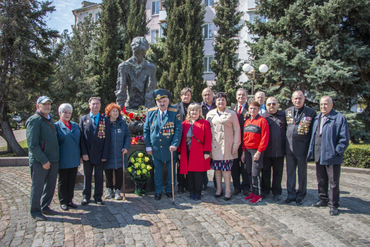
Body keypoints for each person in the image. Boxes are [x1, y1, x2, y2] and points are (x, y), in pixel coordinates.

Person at [307, 96, 350, 216]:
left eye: (326, 104)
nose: (323, 107)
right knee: (321, 179)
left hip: (332, 156)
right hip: (319, 154)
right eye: (321, 104)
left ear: (332, 105)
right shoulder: (317, 118)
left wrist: (337, 151)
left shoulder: (339, 118)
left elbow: (344, 138)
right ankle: (323, 199)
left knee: (333, 182)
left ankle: (333, 204)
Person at [143, 89, 182, 200]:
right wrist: (148, 146)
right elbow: (146, 129)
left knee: (170, 172)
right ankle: (158, 191)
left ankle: (169, 190)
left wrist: (175, 144)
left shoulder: (174, 112)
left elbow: (178, 129)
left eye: (164, 101)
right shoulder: (151, 112)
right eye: (159, 101)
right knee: (158, 171)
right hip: (156, 148)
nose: (162, 103)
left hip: (170, 148)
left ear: (168, 101)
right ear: (156, 102)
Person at [26, 96, 59, 221]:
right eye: (44, 104)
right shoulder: (34, 120)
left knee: (50, 185)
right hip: (40, 161)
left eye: (49, 104)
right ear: (37, 106)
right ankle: (35, 211)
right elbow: (32, 145)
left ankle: (45, 206)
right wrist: (43, 160)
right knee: (38, 186)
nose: (47, 106)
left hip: (53, 159)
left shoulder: (49, 119)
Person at [206, 92, 240, 200]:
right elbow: (207, 130)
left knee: (226, 169)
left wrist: (236, 145)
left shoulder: (232, 114)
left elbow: (237, 130)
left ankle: (228, 190)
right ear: (215, 101)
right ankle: (219, 189)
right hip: (215, 146)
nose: (221, 102)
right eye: (219, 100)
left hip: (227, 146)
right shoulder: (210, 114)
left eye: (223, 100)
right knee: (217, 169)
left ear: (226, 101)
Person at [284, 90, 316, 205]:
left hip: (302, 149)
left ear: (304, 99)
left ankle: (301, 195)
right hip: (289, 148)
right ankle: (290, 194)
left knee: (302, 173)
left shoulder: (311, 113)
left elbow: (312, 132)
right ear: (292, 99)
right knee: (290, 173)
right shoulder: (287, 111)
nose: (297, 100)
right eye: (295, 98)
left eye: (300, 98)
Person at [80, 97, 111, 205]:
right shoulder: (83, 119)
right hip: (87, 155)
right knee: (87, 176)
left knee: (99, 177)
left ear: (100, 105)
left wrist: (105, 155)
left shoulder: (105, 120)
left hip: (100, 154)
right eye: (93, 104)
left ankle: (98, 197)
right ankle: (86, 196)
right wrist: (83, 153)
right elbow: (81, 138)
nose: (95, 106)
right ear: (89, 105)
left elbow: (108, 139)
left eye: (97, 104)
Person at [178, 104, 212, 200]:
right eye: (192, 110)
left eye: (196, 110)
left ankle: (198, 192)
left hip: (199, 151)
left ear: (199, 112)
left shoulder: (204, 123)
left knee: (198, 173)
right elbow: (181, 139)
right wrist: (180, 152)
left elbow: (208, 138)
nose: (194, 112)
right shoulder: (184, 123)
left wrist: (207, 151)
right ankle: (191, 191)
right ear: (189, 112)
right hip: (186, 152)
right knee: (189, 173)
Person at [115, 36, 157, 109]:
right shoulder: (124, 66)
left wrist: (149, 113)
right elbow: (121, 91)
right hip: (129, 106)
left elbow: (150, 91)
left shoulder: (150, 67)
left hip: (145, 107)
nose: (139, 55)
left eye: (142, 52)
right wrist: (119, 112)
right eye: (137, 52)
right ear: (133, 50)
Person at [55, 103, 81, 211]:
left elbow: (80, 141)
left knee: (72, 180)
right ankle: (63, 201)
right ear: (60, 113)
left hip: (74, 157)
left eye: (69, 113)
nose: (67, 114)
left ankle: (70, 200)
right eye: (65, 112)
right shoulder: (56, 126)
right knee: (63, 180)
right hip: (63, 158)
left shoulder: (75, 125)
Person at [242, 101, 269, 204]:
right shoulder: (247, 121)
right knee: (248, 171)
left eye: (255, 109)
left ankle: (258, 195)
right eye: (251, 108)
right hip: (247, 150)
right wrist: (243, 152)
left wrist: (259, 151)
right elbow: (244, 138)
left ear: (258, 110)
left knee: (255, 173)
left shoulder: (262, 121)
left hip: (256, 150)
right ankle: (253, 192)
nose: (252, 110)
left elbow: (264, 138)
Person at [104, 103, 131, 200]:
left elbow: (127, 136)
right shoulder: (105, 123)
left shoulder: (123, 123)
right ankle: (109, 189)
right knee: (108, 172)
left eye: (117, 111)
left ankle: (117, 190)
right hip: (108, 152)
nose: (115, 113)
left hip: (120, 152)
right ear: (109, 112)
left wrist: (126, 147)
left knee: (119, 172)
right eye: (113, 111)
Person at [261, 97, 286, 201]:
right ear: (266, 105)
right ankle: (265, 190)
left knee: (278, 172)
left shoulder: (283, 116)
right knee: (265, 172)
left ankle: (276, 192)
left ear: (278, 104)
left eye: (274, 104)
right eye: (269, 104)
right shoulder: (263, 117)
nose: (271, 105)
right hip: (266, 151)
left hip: (279, 150)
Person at [230, 88, 251, 196]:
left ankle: (246, 187)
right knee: (234, 166)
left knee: (244, 165)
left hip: (245, 142)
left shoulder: (250, 109)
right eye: (239, 95)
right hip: (233, 142)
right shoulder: (232, 108)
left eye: (243, 95)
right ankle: (236, 186)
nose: (241, 97)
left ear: (246, 96)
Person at [174, 87, 193, 193]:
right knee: (180, 163)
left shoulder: (194, 107)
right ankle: (181, 184)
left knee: (190, 162)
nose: (186, 97)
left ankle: (189, 184)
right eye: (184, 95)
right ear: (181, 96)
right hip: (180, 140)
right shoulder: (175, 107)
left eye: (188, 95)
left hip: (191, 141)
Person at [200, 87, 216, 190]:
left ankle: (216, 182)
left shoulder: (218, 105)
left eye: (209, 94)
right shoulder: (199, 107)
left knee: (216, 160)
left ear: (213, 94)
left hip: (216, 138)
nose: (207, 96)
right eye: (205, 95)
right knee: (204, 160)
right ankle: (204, 181)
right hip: (203, 138)